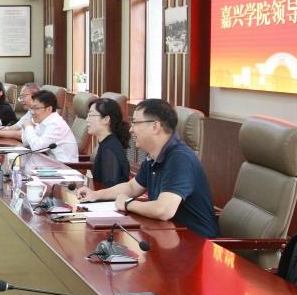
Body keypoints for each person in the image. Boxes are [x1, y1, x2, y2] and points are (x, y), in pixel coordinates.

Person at [75, 98, 218, 238]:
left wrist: (127, 203)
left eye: (135, 123)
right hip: (166, 233)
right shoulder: (153, 156)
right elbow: (132, 187)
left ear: (155, 127)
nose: (131, 129)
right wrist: (95, 195)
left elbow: (164, 210)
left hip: (194, 240)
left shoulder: (180, 158)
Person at [20, 89, 79, 162]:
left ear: (49, 109)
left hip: (64, 167)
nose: (32, 112)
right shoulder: (43, 121)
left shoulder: (56, 124)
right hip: (50, 163)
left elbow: (37, 147)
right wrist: (26, 128)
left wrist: (28, 127)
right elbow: (26, 142)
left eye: (36, 108)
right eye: (32, 108)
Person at [86, 97, 131, 187]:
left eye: (90, 115)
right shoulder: (106, 143)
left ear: (106, 119)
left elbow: (110, 188)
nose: (87, 119)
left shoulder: (109, 150)